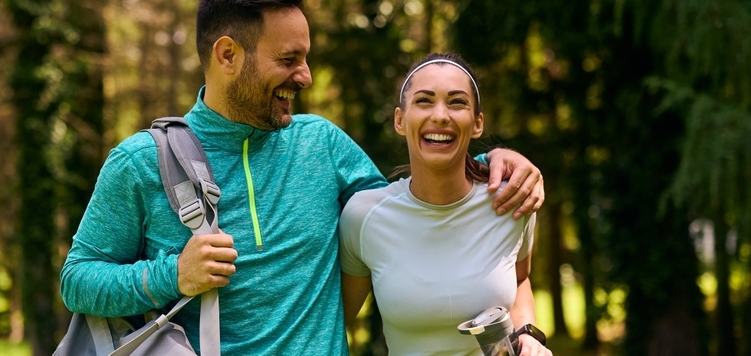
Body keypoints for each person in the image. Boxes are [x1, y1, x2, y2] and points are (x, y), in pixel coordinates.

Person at [60, 1, 545, 355]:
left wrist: (494, 160)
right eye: (289, 59)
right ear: (228, 55)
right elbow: (78, 279)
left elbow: (413, 202)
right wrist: (173, 275)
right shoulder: (141, 161)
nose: (306, 76)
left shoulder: (322, 144)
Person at [340, 53, 552, 356]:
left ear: (477, 123)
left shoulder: (511, 201)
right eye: (424, 101)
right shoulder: (364, 217)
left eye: (457, 102)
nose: (440, 115)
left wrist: (529, 334)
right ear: (400, 120)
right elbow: (335, 322)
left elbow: (520, 280)